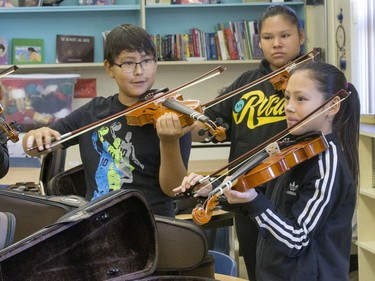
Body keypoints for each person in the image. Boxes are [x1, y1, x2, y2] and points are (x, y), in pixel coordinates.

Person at [176, 61, 360, 280]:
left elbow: (296, 239)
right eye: (287, 97)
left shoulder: (326, 165)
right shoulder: (292, 148)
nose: (289, 106)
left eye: (301, 99)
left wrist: (254, 201)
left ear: (332, 106)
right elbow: (262, 202)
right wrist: (212, 189)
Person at [22, 23, 194, 217]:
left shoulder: (171, 115)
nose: (139, 71)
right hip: (97, 223)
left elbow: (173, 189)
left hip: (151, 224)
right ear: (109, 68)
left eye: (146, 61)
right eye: (128, 63)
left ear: (155, 63)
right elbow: (31, 148)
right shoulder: (93, 112)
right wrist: (36, 135)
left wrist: (168, 142)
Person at [187, 4, 306, 280]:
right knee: (257, 270)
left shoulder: (313, 82)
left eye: (285, 36)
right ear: (259, 42)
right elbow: (210, 126)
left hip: (295, 194)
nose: (276, 44)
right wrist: (184, 123)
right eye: (268, 37)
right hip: (247, 195)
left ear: (301, 36)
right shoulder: (246, 83)